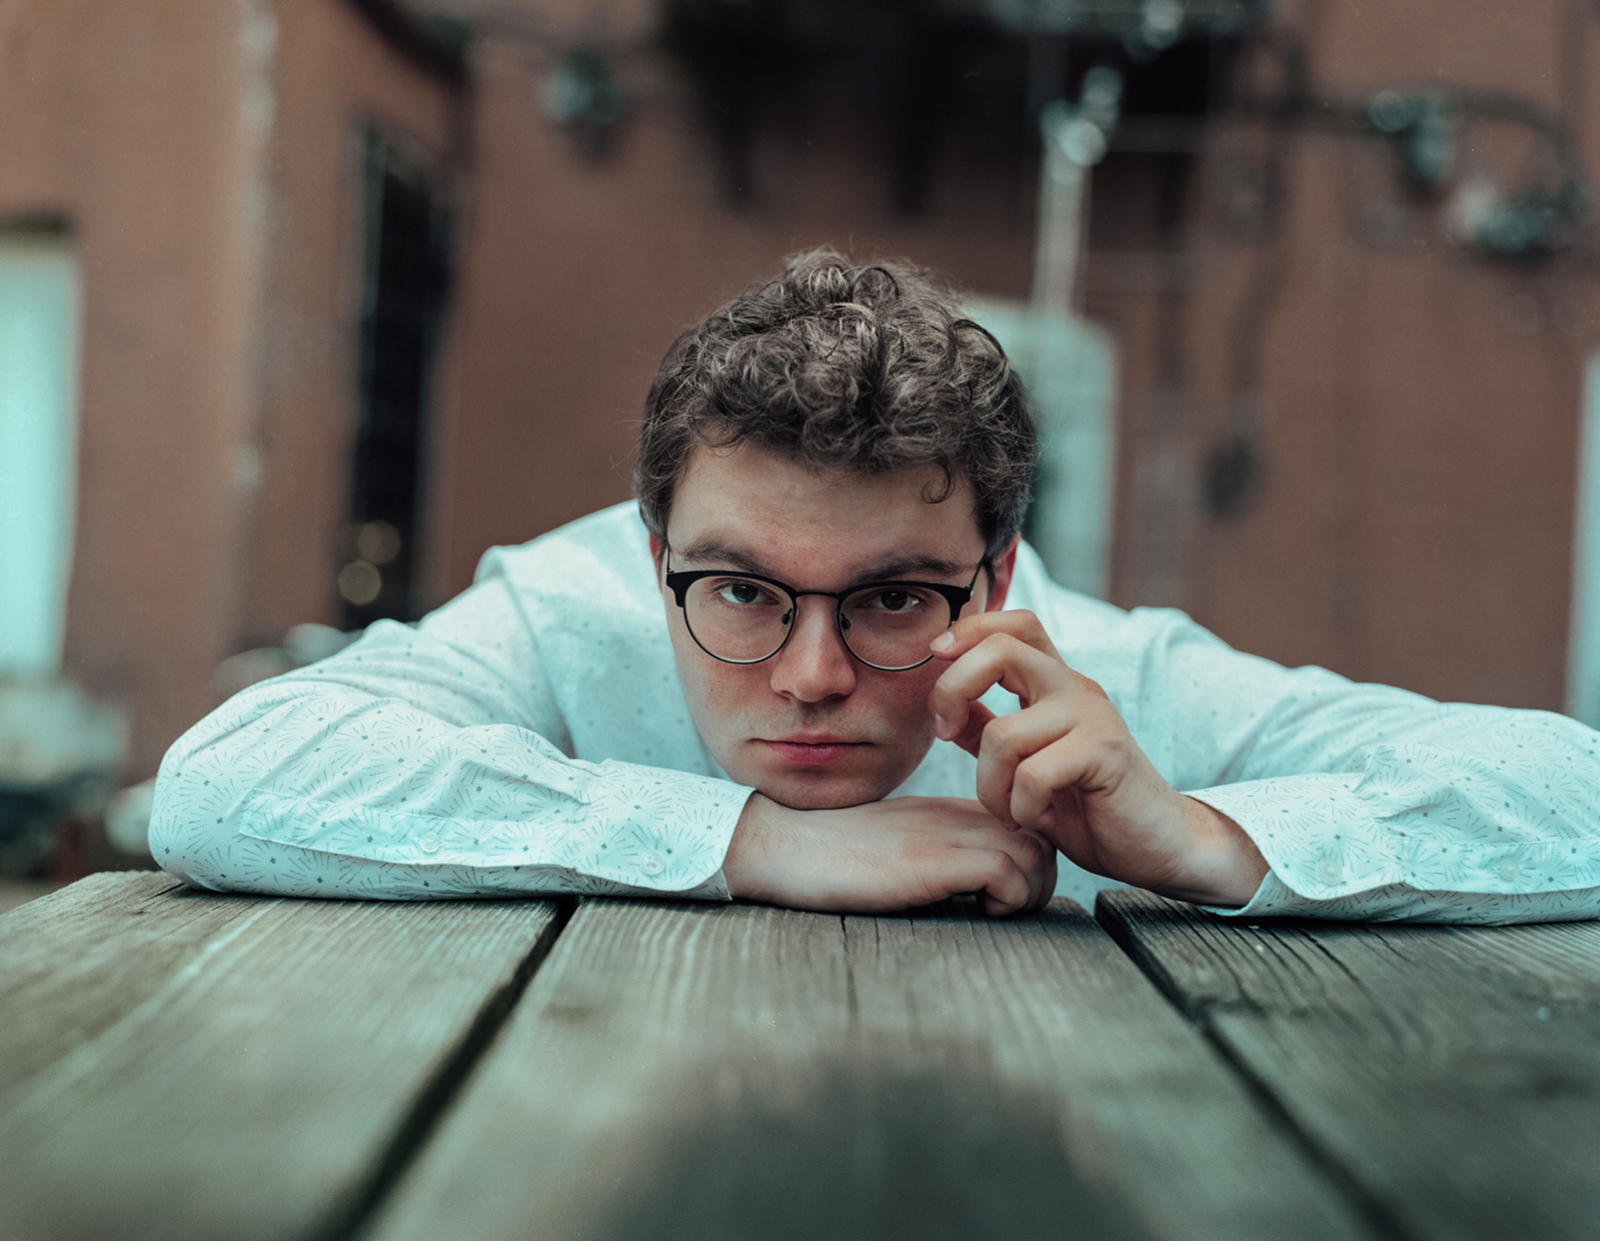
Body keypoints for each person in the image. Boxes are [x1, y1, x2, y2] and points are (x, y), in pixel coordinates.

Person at [151, 251, 1600, 922]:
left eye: (895, 599)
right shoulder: (565, 608)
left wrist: (1212, 840)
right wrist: (745, 844)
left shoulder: (1106, 680)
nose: (810, 678)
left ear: (1000, 574)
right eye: (740, 592)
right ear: (654, 559)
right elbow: (223, 781)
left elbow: (1571, 794)